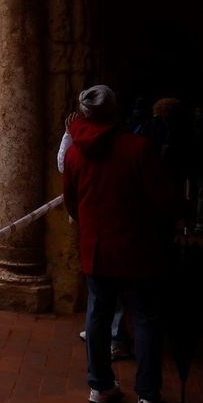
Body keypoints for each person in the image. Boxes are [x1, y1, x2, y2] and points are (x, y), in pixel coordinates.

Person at [64, 84, 177, 403]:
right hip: (137, 248)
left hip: (96, 249)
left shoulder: (74, 154)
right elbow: (163, 199)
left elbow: (71, 201)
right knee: (144, 319)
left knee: (97, 316)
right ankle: (149, 398)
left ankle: (99, 385)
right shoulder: (138, 149)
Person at [59, 113, 132, 361]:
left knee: (98, 297)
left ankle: (99, 380)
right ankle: (116, 340)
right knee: (121, 292)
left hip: (93, 234)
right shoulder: (133, 148)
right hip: (125, 231)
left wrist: (69, 134)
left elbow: (64, 170)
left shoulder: (75, 152)